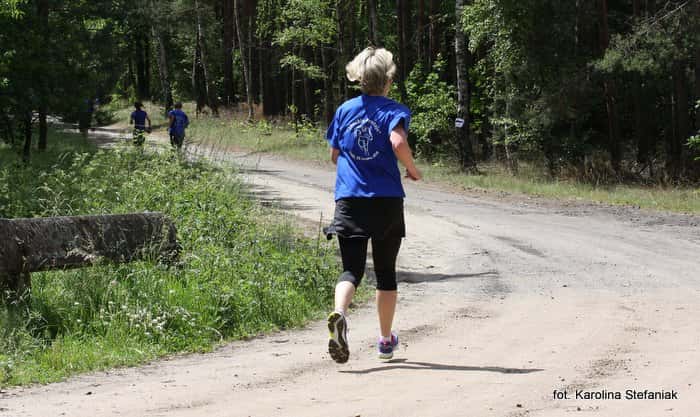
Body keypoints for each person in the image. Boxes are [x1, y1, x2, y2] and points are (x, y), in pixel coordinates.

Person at [324, 47, 422, 364]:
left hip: (349, 199)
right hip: (386, 201)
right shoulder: (394, 110)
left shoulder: (345, 110)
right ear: (388, 80)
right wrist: (412, 168)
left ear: (360, 79)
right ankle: (385, 341)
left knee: (351, 269)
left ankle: (340, 313)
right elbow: (398, 141)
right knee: (385, 273)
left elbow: (334, 155)